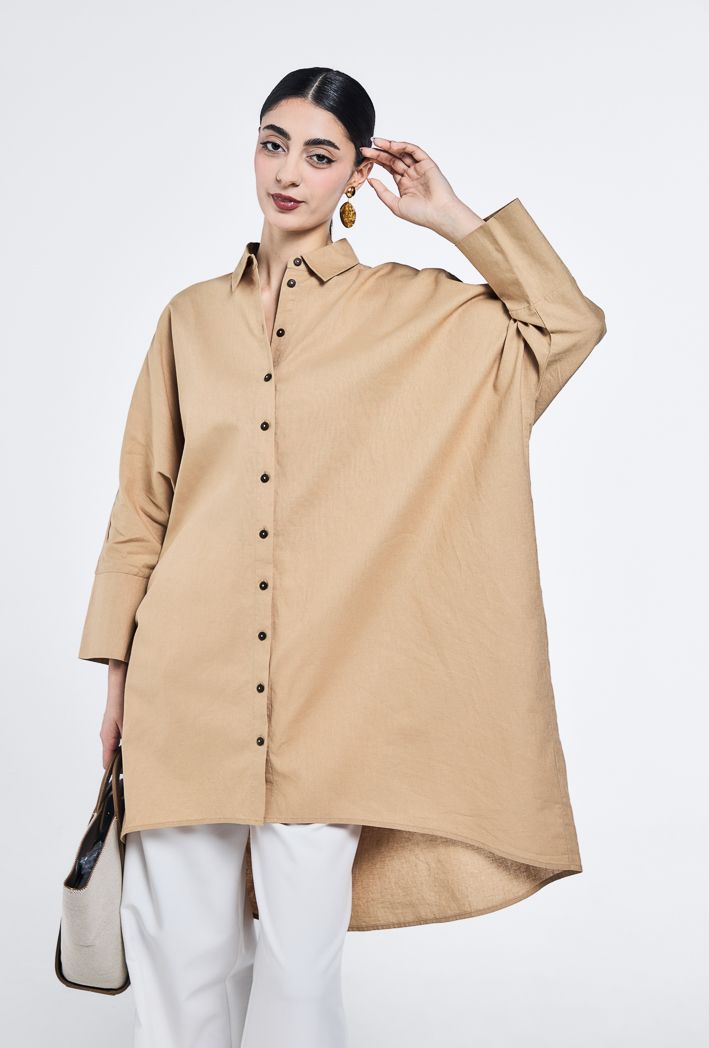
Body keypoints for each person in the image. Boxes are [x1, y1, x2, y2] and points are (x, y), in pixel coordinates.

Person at [79, 66, 606, 1048]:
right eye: (273, 144)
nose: (288, 172)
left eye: (320, 155)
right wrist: (117, 680)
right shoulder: (188, 320)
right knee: (180, 974)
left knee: (300, 980)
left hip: (333, 699)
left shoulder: (416, 313)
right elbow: (142, 508)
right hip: (181, 690)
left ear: (357, 175)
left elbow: (566, 324)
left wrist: (452, 217)